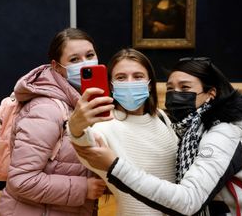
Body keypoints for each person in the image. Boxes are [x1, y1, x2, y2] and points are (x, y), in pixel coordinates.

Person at [73, 57, 242, 215]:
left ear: (211, 93)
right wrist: (75, 125)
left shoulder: (222, 135)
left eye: (185, 88)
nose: (175, 94)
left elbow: (188, 200)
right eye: (170, 88)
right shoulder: (188, 128)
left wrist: (116, 166)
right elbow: (86, 144)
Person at [0, 28, 107, 216]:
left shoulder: (82, 103)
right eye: (74, 59)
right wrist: (83, 189)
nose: (85, 64)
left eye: (90, 55)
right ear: (55, 66)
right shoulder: (45, 109)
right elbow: (22, 180)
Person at [68, 48, 178, 215]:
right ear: (111, 86)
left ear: (149, 84)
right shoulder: (104, 124)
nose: (129, 82)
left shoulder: (161, 117)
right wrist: (75, 127)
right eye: (121, 78)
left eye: (138, 76)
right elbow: (86, 146)